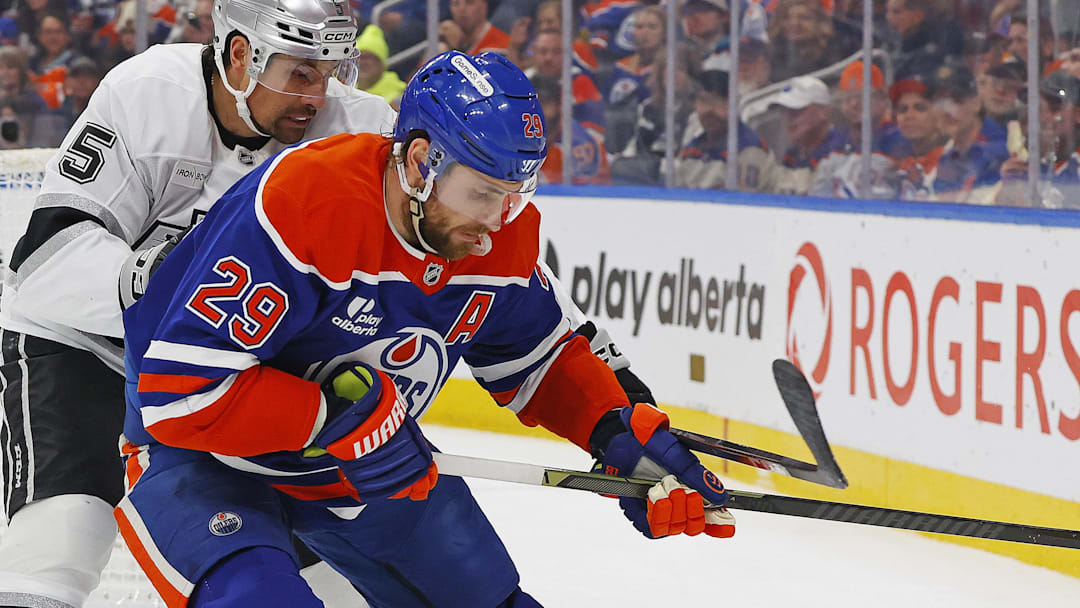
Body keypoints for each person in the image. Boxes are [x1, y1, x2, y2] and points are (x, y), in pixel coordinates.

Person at [118, 50, 736, 607]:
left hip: (368, 466)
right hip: (206, 459)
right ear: (420, 162)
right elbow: (180, 395)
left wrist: (618, 438)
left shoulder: (500, 231)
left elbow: (539, 358)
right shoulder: (308, 204)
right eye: (482, 193)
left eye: (514, 194)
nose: (497, 222)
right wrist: (331, 417)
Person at [0, 0, 397, 604]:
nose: (318, 95)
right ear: (241, 55)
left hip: (223, 378)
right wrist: (177, 284)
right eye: (300, 73)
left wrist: (589, 378)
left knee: (331, 573)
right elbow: (45, 257)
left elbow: (467, 236)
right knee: (63, 533)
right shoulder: (148, 94)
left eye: (331, 71)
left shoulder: (359, 130)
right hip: (86, 347)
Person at [675, 69, 779, 192]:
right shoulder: (691, 151)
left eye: (718, 102)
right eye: (704, 101)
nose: (710, 110)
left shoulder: (748, 149)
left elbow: (741, 206)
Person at [354, 24, 406, 107]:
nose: (363, 62)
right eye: (359, 57)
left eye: (368, 57)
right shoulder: (345, 90)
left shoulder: (399, 94)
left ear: (381, 63)